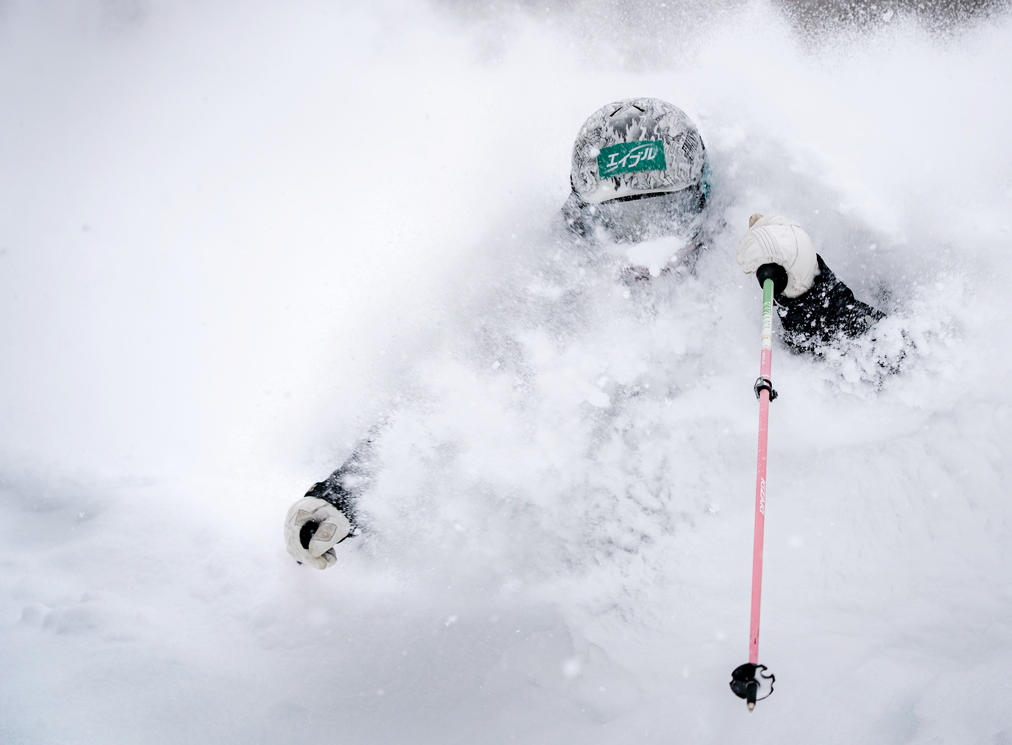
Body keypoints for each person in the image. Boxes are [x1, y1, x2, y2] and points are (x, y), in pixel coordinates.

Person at [284, 97, 886, 569]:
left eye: (668, 217)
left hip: (764, 535)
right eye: (620, 225)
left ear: (703, 196)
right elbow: (452, 408)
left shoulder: (761, 258)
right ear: (579, 217)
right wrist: (344, 493)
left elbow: (897, 372)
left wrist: (812, 296)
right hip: (620, 564)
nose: (649, 252)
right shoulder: (548, 290)